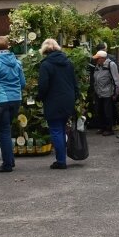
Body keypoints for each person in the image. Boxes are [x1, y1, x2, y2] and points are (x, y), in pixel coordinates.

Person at [0, 36, 26, 173]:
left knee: (4, 132)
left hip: (2, 100)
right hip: (16, 99)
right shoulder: (17, 62)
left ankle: (7, 164)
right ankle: (10, 161)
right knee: (6, 130)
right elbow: (23, 83)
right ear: (8, 46)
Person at [37, 38, 80, 170]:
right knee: (61, 128)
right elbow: (74, 82)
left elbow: (43, 85)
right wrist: (75, 97)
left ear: (45, 51)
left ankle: (61, 161)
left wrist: (39, 97)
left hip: (53, 100)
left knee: (56, 130)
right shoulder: (68, 62)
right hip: (68, 99)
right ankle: (61, 159)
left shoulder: (46, 64)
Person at [91, 50, 119, 136]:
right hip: (99, 92)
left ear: (102, 59)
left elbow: (116, 79)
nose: (96, 60)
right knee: (100, 111)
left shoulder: (111, 65)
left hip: (108, 92)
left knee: (108, 112)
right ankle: (102, 127)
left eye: (97, 58)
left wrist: (115, 93)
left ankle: (109, 129)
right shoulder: (98, 66)